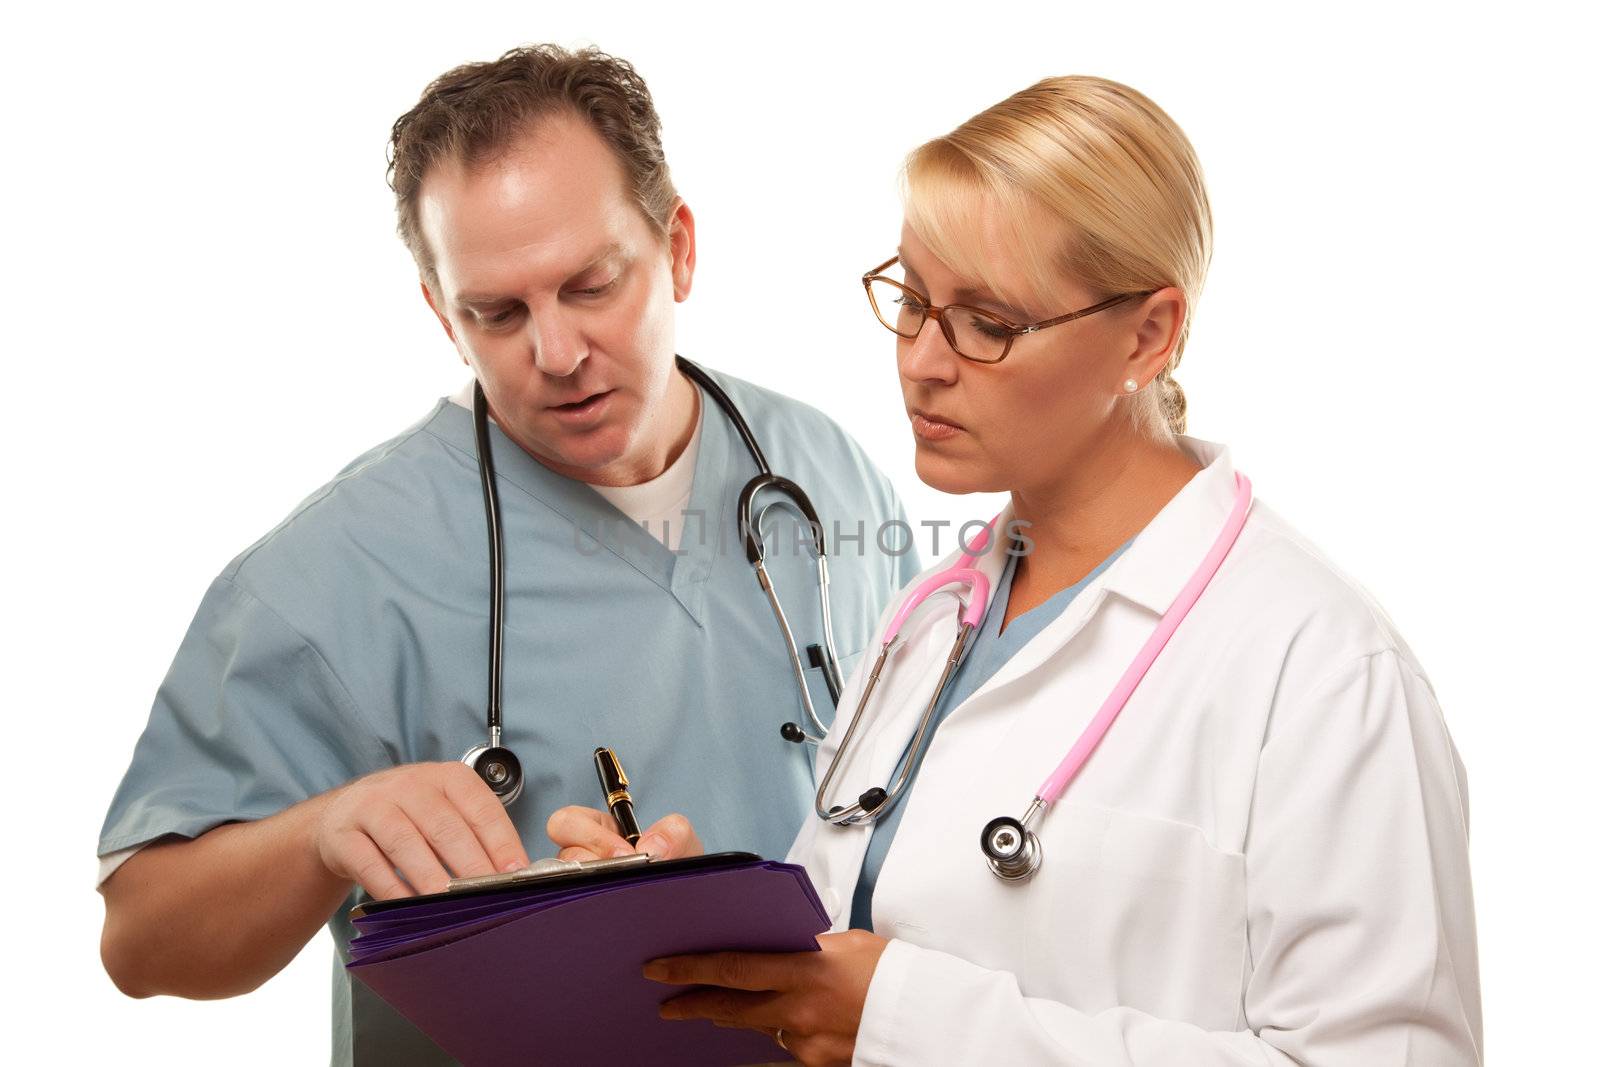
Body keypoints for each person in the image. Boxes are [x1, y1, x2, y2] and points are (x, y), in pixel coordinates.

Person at [550, 75, 1483, 1064]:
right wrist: (708, 933)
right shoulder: (930, 616)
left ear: (1148, 333)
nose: (921, 360)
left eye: (987, 321)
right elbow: (851, 953)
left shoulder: (1321, 669)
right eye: (911, 299)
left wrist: (910, 1024)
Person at [96, 45, 918, 1065]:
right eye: (498, 312)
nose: (558, 353)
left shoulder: (820, 470)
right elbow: (141, 940)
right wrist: (322, 829)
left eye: (592, 284)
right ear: (444, 314)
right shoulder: (337, 568)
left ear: (680, 249)